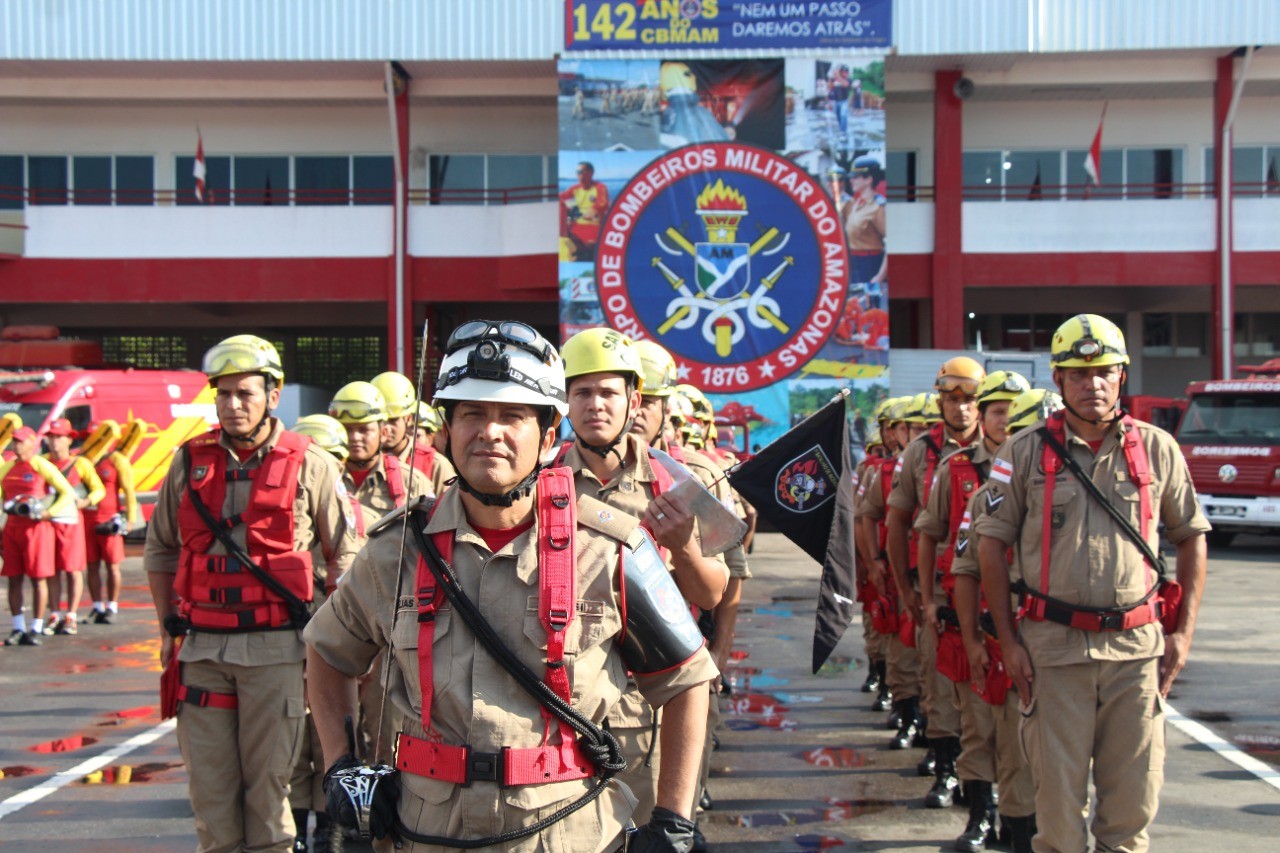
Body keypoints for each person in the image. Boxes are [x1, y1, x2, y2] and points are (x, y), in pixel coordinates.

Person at [304, 320, 718, 851]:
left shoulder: (612, 548)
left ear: (548, 437)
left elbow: (685, 680)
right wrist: (342, 765)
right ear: (446, 430)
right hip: (428, 831)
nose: (490, 432)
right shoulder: (395, 552)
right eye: (472, 413)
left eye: (512, 416)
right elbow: (328, 652)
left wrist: (673, 818)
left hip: (566, 831)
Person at [974, 314, 1210, 853]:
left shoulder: (1157, 449)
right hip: (1053, 654)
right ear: (1058, 381)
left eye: (1104, 371)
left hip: (1135, 653)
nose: (1093, 384)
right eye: (1079, 374)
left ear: (1122, 375)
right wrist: (1008, 641)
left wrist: (1184, 636)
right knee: (1056, 816)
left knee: (1131, 812)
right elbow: (990, 543)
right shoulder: (1023, 452)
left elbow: (1192, 536)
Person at [145, 334, 355, 853]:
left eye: (246, 393)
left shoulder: (312, 463)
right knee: (210, 799)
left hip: (276, 653)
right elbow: (160, 550)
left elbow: (346, 556)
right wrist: (169, 624)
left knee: (268, 795)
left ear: (273, 394)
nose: (233, 405)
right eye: (223, 394)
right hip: (202, 652)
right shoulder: (187, 462)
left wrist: (332, 641)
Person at [556, 328, 729, 829]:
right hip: (565, 700)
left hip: (648, 704)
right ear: (564, 402)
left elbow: (712, 592)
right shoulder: (542, 482)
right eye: (582, 392)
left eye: (608, 392)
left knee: (657, 831)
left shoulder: (675, 478)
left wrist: (684, 546)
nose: (595, 405)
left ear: (634, 400)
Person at [630, 339, 749, 842]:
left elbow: (724, 583)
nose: (635, 413)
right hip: (597, 667)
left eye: (649, 402)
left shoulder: (693, 477)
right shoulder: (557, 476)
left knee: (672, 811)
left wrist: (718, 652)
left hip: (678, 657)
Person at [915, 370, 1030, 849]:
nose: (1006, 419)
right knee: (977, 723)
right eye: (997, 411)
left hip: (1029, 626)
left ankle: (1020, 822)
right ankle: (979, 814)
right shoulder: (957, 468)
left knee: (1023, 734)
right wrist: (925, 601)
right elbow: (929, 533)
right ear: (984, 419)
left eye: (1013, 410)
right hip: (971, 618)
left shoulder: (1043, 468)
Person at [951, 387, 1062, 853]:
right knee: (992, 736)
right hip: (1004, 638)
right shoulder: (983, 497)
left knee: (1056, 755)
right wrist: (974, 639)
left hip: (1062, 643)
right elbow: (965, 569)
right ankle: (989, 820)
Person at [888, 358, 986, 801]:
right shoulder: (918, 453)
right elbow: (897, 521)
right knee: (941, 682)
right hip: (938, 589)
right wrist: (909, 591)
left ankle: (992, 784)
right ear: (940, 400)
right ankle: (947, 771)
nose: (961, 409)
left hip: (994, 589)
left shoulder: (1010, 448)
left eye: (969, 400)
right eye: (952, 399)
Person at [857, 397, 916, 726]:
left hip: (934, 576)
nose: (901, 435)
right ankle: (900, 705)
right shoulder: (876, 471)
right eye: (899, 427)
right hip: (890, 569)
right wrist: (870, 560)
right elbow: (862, 517)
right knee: (891, 638)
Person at [2, 427, 75, 646]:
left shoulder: (42, 465)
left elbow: (67, 492)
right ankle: (17, 628)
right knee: (13, 579)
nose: (16, 446)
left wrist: (48, 513)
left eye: (21, 442)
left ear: (31, 443)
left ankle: (36, 627)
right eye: (14, 441)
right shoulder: (6, 467)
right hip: (12, 528)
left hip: (36, 529)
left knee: (38, 579)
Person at [43, 417, 105, 635]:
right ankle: (54, 613)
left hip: (71, 524)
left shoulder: (80, 464)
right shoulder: (43, 462)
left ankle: (71, 615)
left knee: (73, 570)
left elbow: (99, 490)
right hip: (48, 522)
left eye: (58, 437)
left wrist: (86, 502)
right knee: (51, 571)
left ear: (69, 440)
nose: (54, 442)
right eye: (51, 437)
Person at [372, 370, 456, 499]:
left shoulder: (436, 465)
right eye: (381, 421)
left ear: (409, 419)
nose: (387, 427)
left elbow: (449, 513)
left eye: (394, 420)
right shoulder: (357, 463)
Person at [845, 156, 887, 308]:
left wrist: (880, 276)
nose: (851, 180)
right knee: (853, 305)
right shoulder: (856, 204)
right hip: (853, 262)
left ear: (869, 179)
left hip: (869, 263)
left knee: (871, 308)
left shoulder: (878, 207)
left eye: (856, 177)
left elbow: (890, 244)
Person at [558, 162, 609, 261]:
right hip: (576, 226)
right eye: (577, 172)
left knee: (587, 247)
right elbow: (561, 197)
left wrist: (594, 209)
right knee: (563, 243)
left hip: (593, 227)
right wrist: (566, 208)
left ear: (591, 173)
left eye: (581, 172)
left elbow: (603, 203)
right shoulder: (575, 188)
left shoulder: (599, 187)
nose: (579, 175)